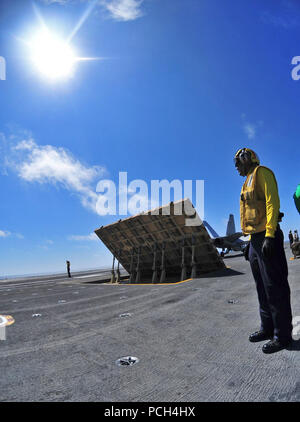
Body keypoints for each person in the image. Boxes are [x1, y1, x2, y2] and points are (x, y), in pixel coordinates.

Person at [234, 148, 293, 353]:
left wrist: (269, 234)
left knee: (275, 287)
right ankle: (267, 328)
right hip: (255, 240)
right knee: (262, 288)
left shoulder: (262, 172)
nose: (236, 167)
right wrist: (250, 241)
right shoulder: (246, 181)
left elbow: (271, 202)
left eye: (238, 162)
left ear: (246, 158)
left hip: (268, 236)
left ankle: (282, 336)